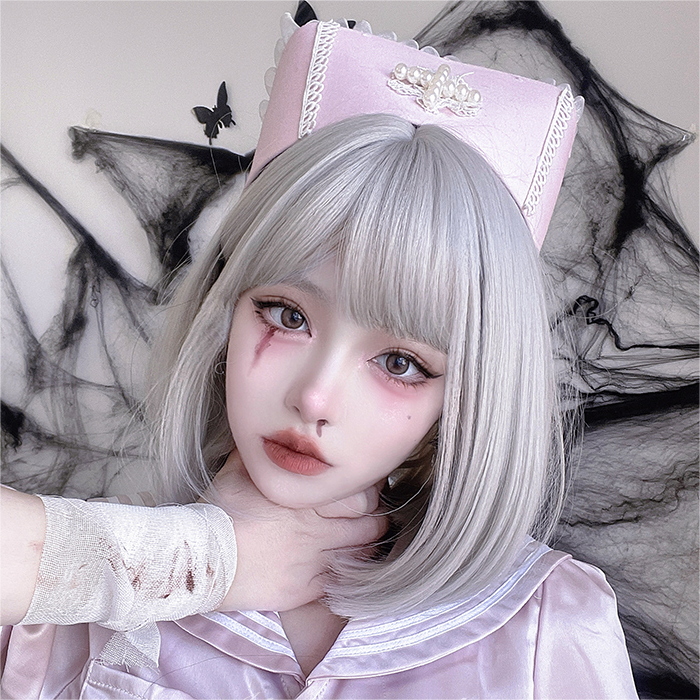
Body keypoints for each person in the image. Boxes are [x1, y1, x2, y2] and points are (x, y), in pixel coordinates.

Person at [0, 17, 639, 699]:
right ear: (224, 312)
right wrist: (196, 560)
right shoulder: (63, 610)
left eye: (401, 362)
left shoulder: (549, 627)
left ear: (462, 399)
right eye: (288, 315)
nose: (314, 397)